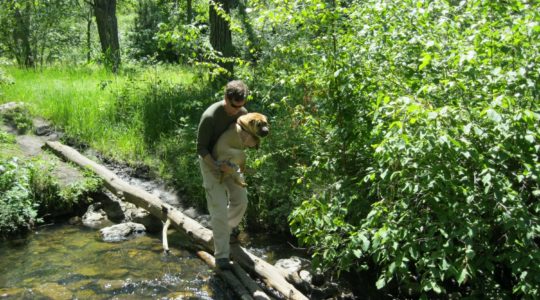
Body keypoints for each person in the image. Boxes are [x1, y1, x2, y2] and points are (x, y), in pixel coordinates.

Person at [197, 80, 249, 270]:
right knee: (218, 209)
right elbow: (200, 149)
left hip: (230, 162)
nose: (237, 111)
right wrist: (217, 166)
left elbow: (246, 140)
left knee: (241, 201)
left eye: (241, 106)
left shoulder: (242, 113)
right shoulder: (210, 116)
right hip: (211, 162)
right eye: (233, 106)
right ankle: (222, 256)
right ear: (226, 97)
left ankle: (225, 231)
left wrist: (234, 163)